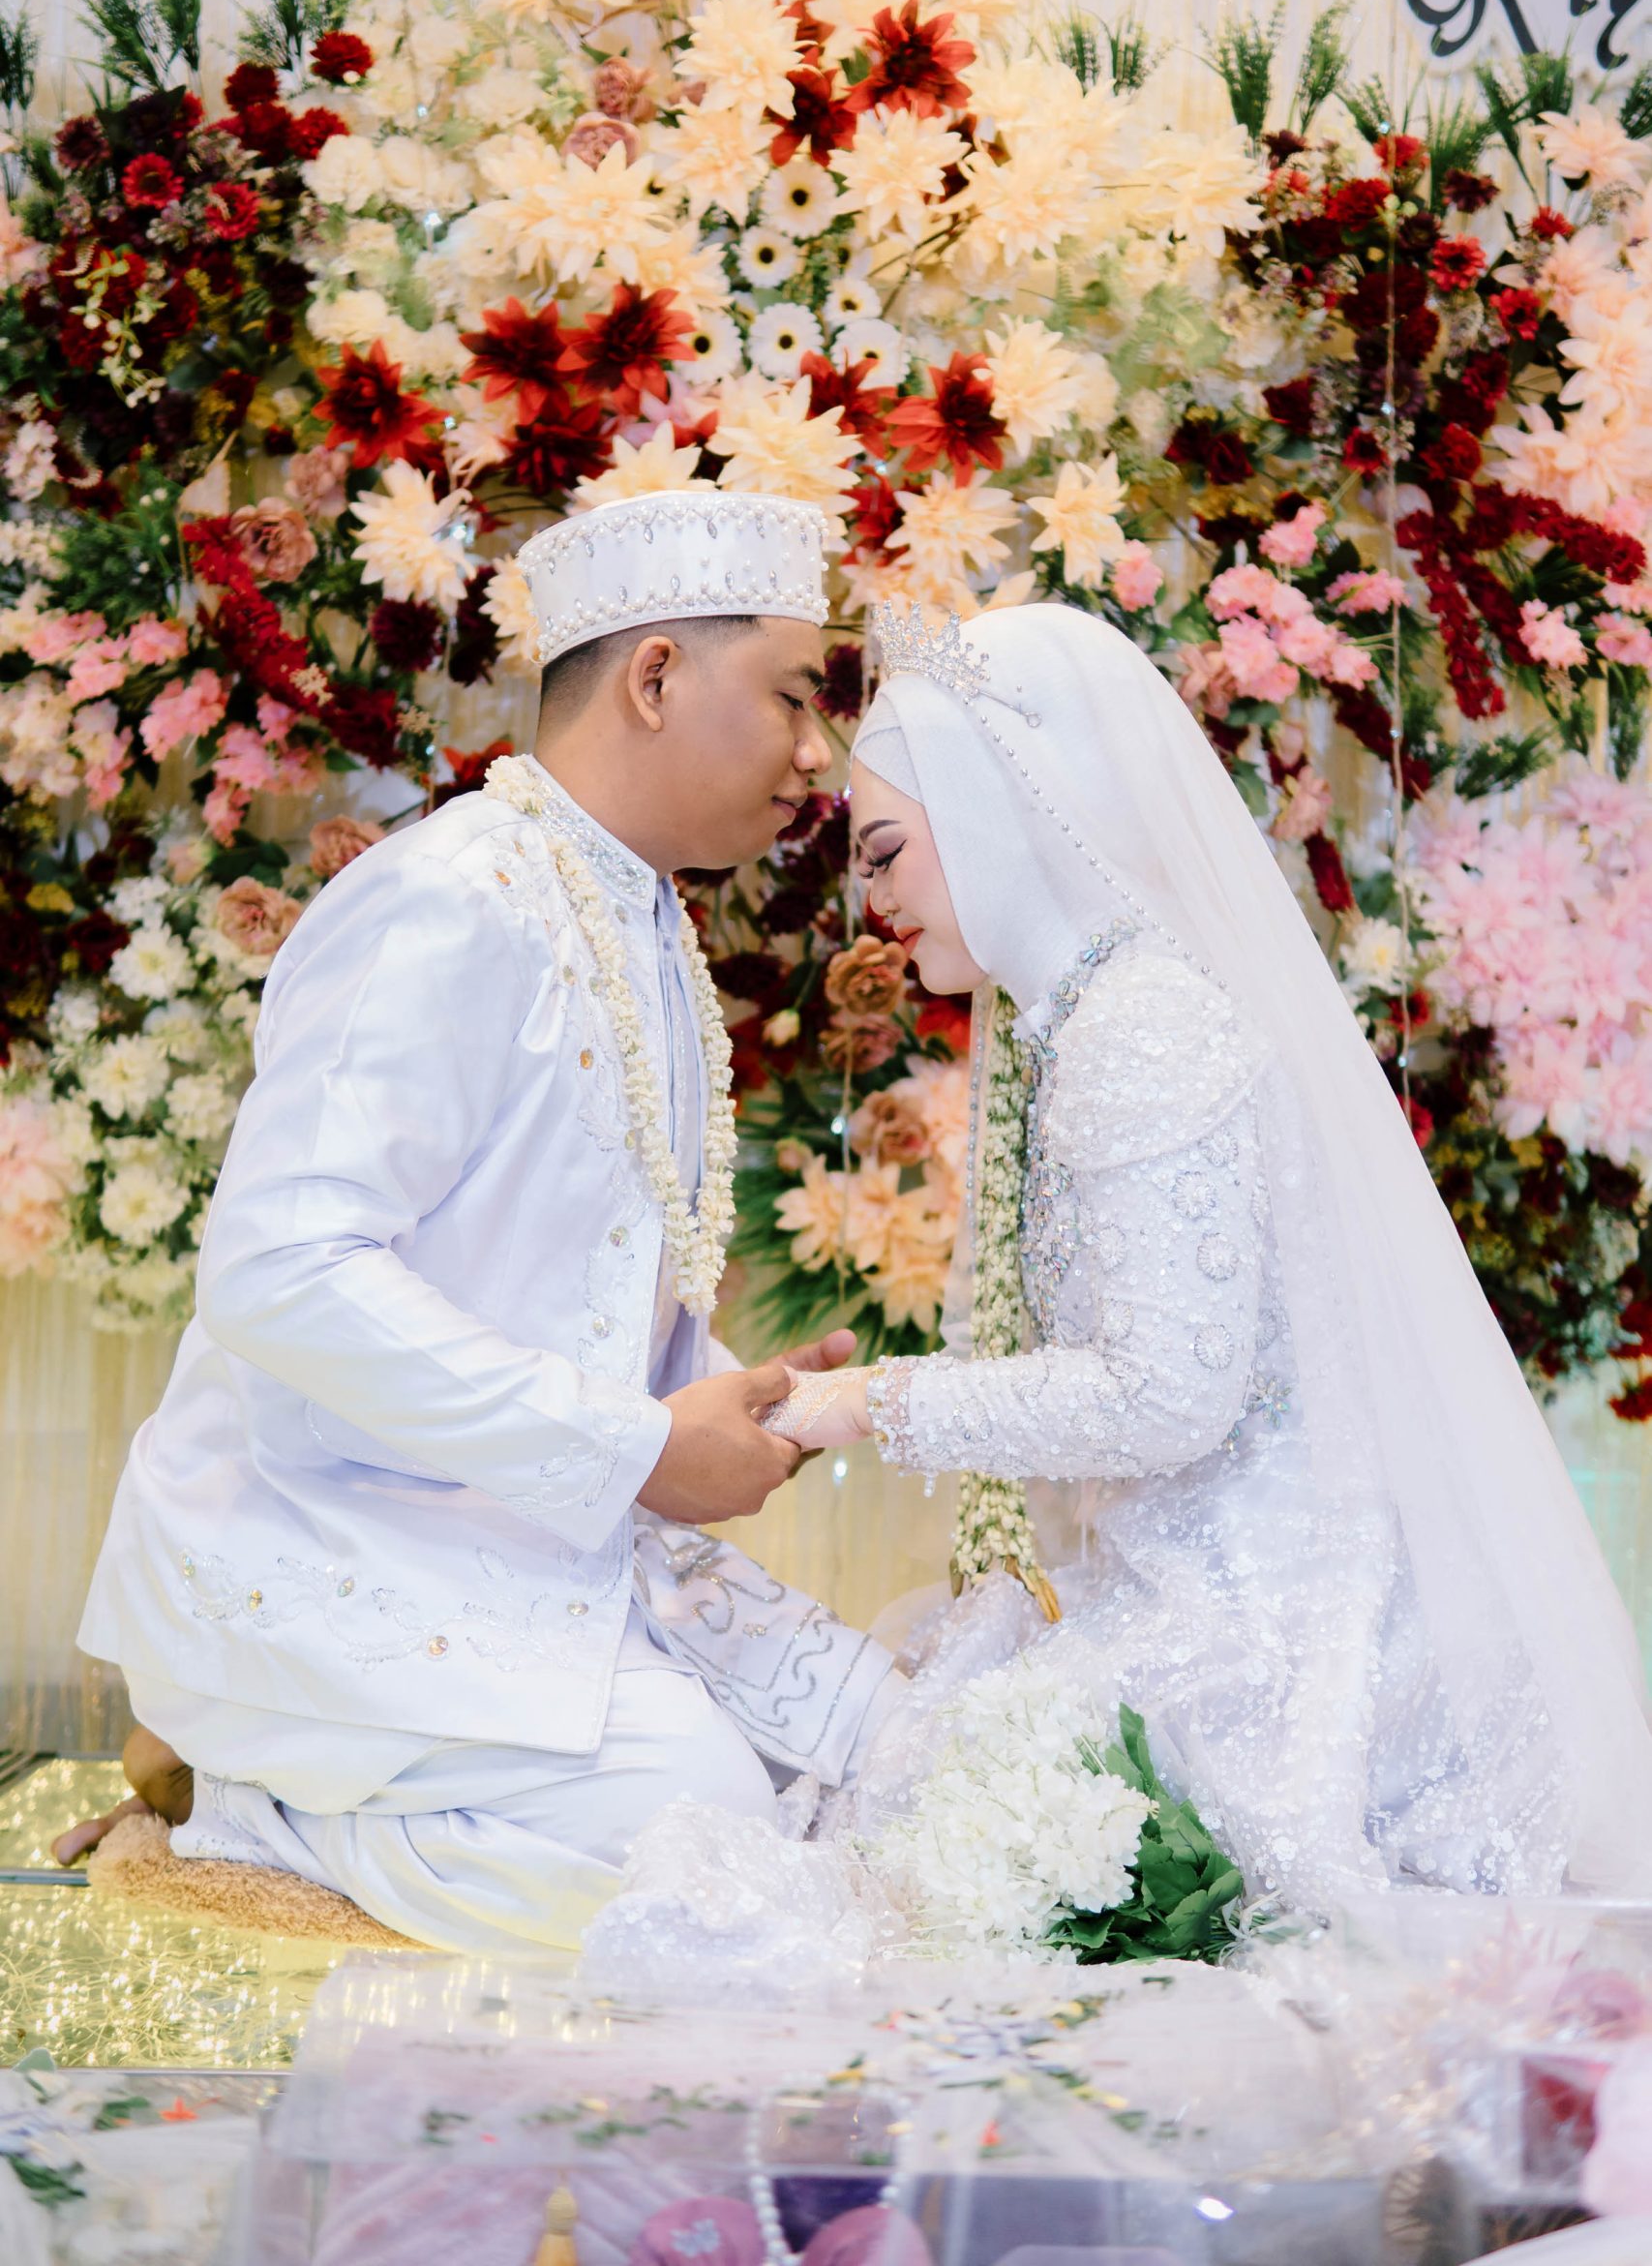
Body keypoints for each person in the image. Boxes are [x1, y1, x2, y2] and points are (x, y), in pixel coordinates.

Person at [65, 490, 902, 1951]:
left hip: (522, 1532)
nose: (818, 751)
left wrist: (726, 1406)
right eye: (791, 696)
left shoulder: (639, 916)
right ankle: (249, 1796)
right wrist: (636, 1447)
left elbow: (558, 1283)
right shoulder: (453, 899)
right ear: (655, 678)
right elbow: (282, 1271)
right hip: (330, 1541)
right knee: (716, 1850)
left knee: (883, 1757)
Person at [777, 599, 1652, 1909]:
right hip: (1200, 1590)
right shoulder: (1101, 1016)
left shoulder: (1140, 1029)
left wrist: (865, 1402)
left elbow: (1165, 1400)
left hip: (1278, 1642)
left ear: (1001, 808)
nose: (873, 899)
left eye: (890, 850)